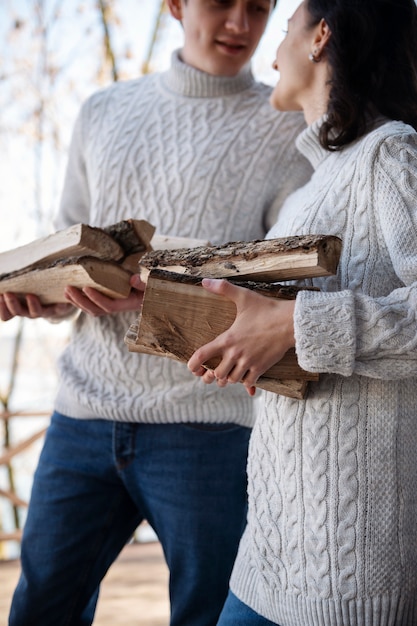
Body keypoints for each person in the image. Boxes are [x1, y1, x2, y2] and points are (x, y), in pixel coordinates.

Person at [1, 1, 313, 625]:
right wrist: (40, 295)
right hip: (82, 416)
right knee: (40, 609)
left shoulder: (285, 127)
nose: (239, 23)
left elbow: (279, 297)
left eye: (258, 8)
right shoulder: (103, 112)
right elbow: (72, 244)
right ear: (174, 4)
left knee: (206, 614)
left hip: (210, 425)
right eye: (221, 2)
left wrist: (161, 294)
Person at [188, 0, 417, 623]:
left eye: (286, 24)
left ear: (321, 36)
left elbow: (301, 325)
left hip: (353, 577)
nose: (273, 45)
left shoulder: (390, 155)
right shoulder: (311, 191)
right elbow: (270, 328)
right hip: (268, 554)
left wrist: (295, 324)